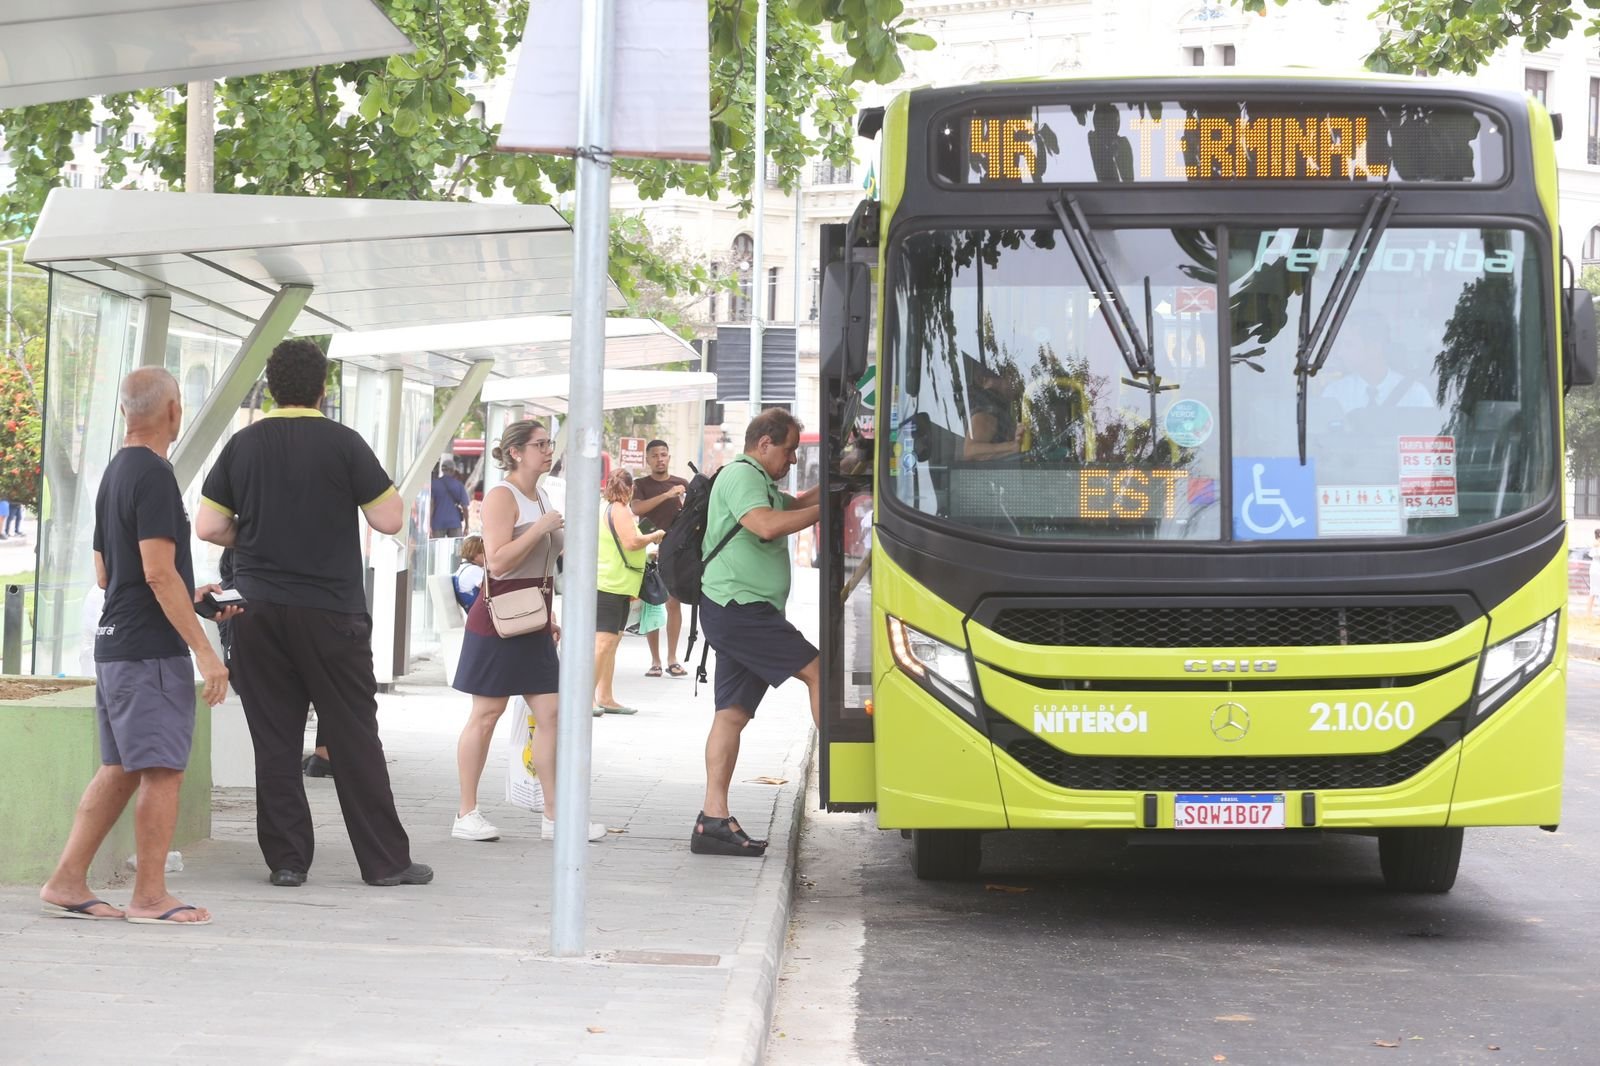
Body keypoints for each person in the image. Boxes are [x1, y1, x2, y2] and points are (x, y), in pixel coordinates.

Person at [196, 339, 430, 889]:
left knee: (274, 737)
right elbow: (390, 519)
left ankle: (287, 860)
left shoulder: (242, 446)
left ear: (272, 387)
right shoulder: (344, 443)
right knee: (353, 735)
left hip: (256, 609)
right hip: (331, 611)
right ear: (324, 388)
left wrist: (252, 537)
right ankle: (385, 862)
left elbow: (208, 527)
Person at [39, 368, 237, 925]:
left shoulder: (115, 472)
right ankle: (150, 896)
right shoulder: (153, 474)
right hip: (148, 649)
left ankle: (66, 880)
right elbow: (154, 573)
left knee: (122, 765)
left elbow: (108, 573)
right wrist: (204, 649)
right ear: (173, 409)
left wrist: (183, 585)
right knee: (162, 769)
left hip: (116, 642)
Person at [449, 420, 604, 844]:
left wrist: (546, 615)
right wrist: (539, 528)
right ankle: (466, 812)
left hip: (531, 620)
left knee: (552, 714)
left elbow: (544, 564)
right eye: (540, 444)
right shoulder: (503, 496)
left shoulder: (542, 495)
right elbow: (496, 563)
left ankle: (555, 815)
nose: (548, 450)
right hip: (498, 621)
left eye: (550, 443)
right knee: (486, 715)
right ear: (516, 452)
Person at [693, 408, 822, 858]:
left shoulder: (762, 482)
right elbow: (767, 525)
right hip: (740, 608)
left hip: (739, 608)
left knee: (732, 715)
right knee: (819, 672)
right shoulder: (742, 475)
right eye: (788, 451)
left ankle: (712, 820)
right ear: (764, 443)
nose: (791, 461)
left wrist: (846, 484)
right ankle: (845, 769)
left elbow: (798, 503)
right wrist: (827, 508)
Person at [597, 469, 666, 714]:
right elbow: (631, 542)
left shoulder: (608, 508)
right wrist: (654, 536)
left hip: (618, 584)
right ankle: (585, 700)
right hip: (610, 585)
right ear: (630, 489)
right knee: (604, 643)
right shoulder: (619, 509)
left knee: (612, 642)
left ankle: (605, 697)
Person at [632, 439, 691, 678]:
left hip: (676, 551)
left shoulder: (682, 483)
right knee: (653, 603)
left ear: (669, 457)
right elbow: (637, 509)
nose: (660, 459)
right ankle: (655, 660)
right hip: (650, 550)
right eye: (655, 455)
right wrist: (667, 495)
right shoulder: (640, 485)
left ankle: (672, 658)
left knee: (673, 602)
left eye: (664, 454)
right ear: (648, 459)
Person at [963, 360, 1026, 461]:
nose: (1014, 381)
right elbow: (970, 452)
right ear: (983, 380)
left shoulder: (1002, 407)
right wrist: (1013, 446)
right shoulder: (986, 406)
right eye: (1008, 376)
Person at [430, 460, 470, 539]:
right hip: (454, 522)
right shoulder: (459, 485)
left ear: (442, 470)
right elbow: (465, 507)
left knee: (437, 548)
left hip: (438, 522)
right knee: (456, 549)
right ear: (453, 470)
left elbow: (431, 505)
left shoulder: (434, 484)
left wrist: (429, 524)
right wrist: (467, 525)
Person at [453, 535, 486, 611]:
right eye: (484, 553)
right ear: (475, 554)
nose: (486, 556)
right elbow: (490, 590)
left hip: (471, 611)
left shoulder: (463, 568)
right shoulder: (474, 570)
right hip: (480, 612)